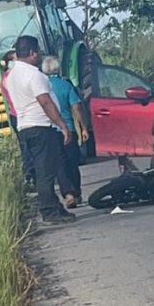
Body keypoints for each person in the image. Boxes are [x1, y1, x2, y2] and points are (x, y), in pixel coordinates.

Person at [5, 35, 74, 225]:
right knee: (46, 172)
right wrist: (62, 125)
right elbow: (45, 102)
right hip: (42, 127)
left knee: (43, 169)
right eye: (39, 52)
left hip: (25, 127)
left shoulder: (11, 76)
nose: (41, 56)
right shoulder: (34, 75)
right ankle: (49, 211)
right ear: (33, 53)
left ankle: (55, 207)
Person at [42, 55, 89, 208]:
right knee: (72, 163)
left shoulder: (42, 87)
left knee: (59, 164)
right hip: (69, 129)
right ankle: (76, 192)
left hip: (51, 130)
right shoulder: (66, 85)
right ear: (58, 68)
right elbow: (76, 107)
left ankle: (68, 194)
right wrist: (83, 127)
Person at [1, 49, 35, 186]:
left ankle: (30, 173)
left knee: (25, 145)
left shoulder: (5, 78)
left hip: (16, 114)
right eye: (16, 59)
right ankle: (31, 172)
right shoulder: (13, 78)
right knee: (28, 146)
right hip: (22, 114)